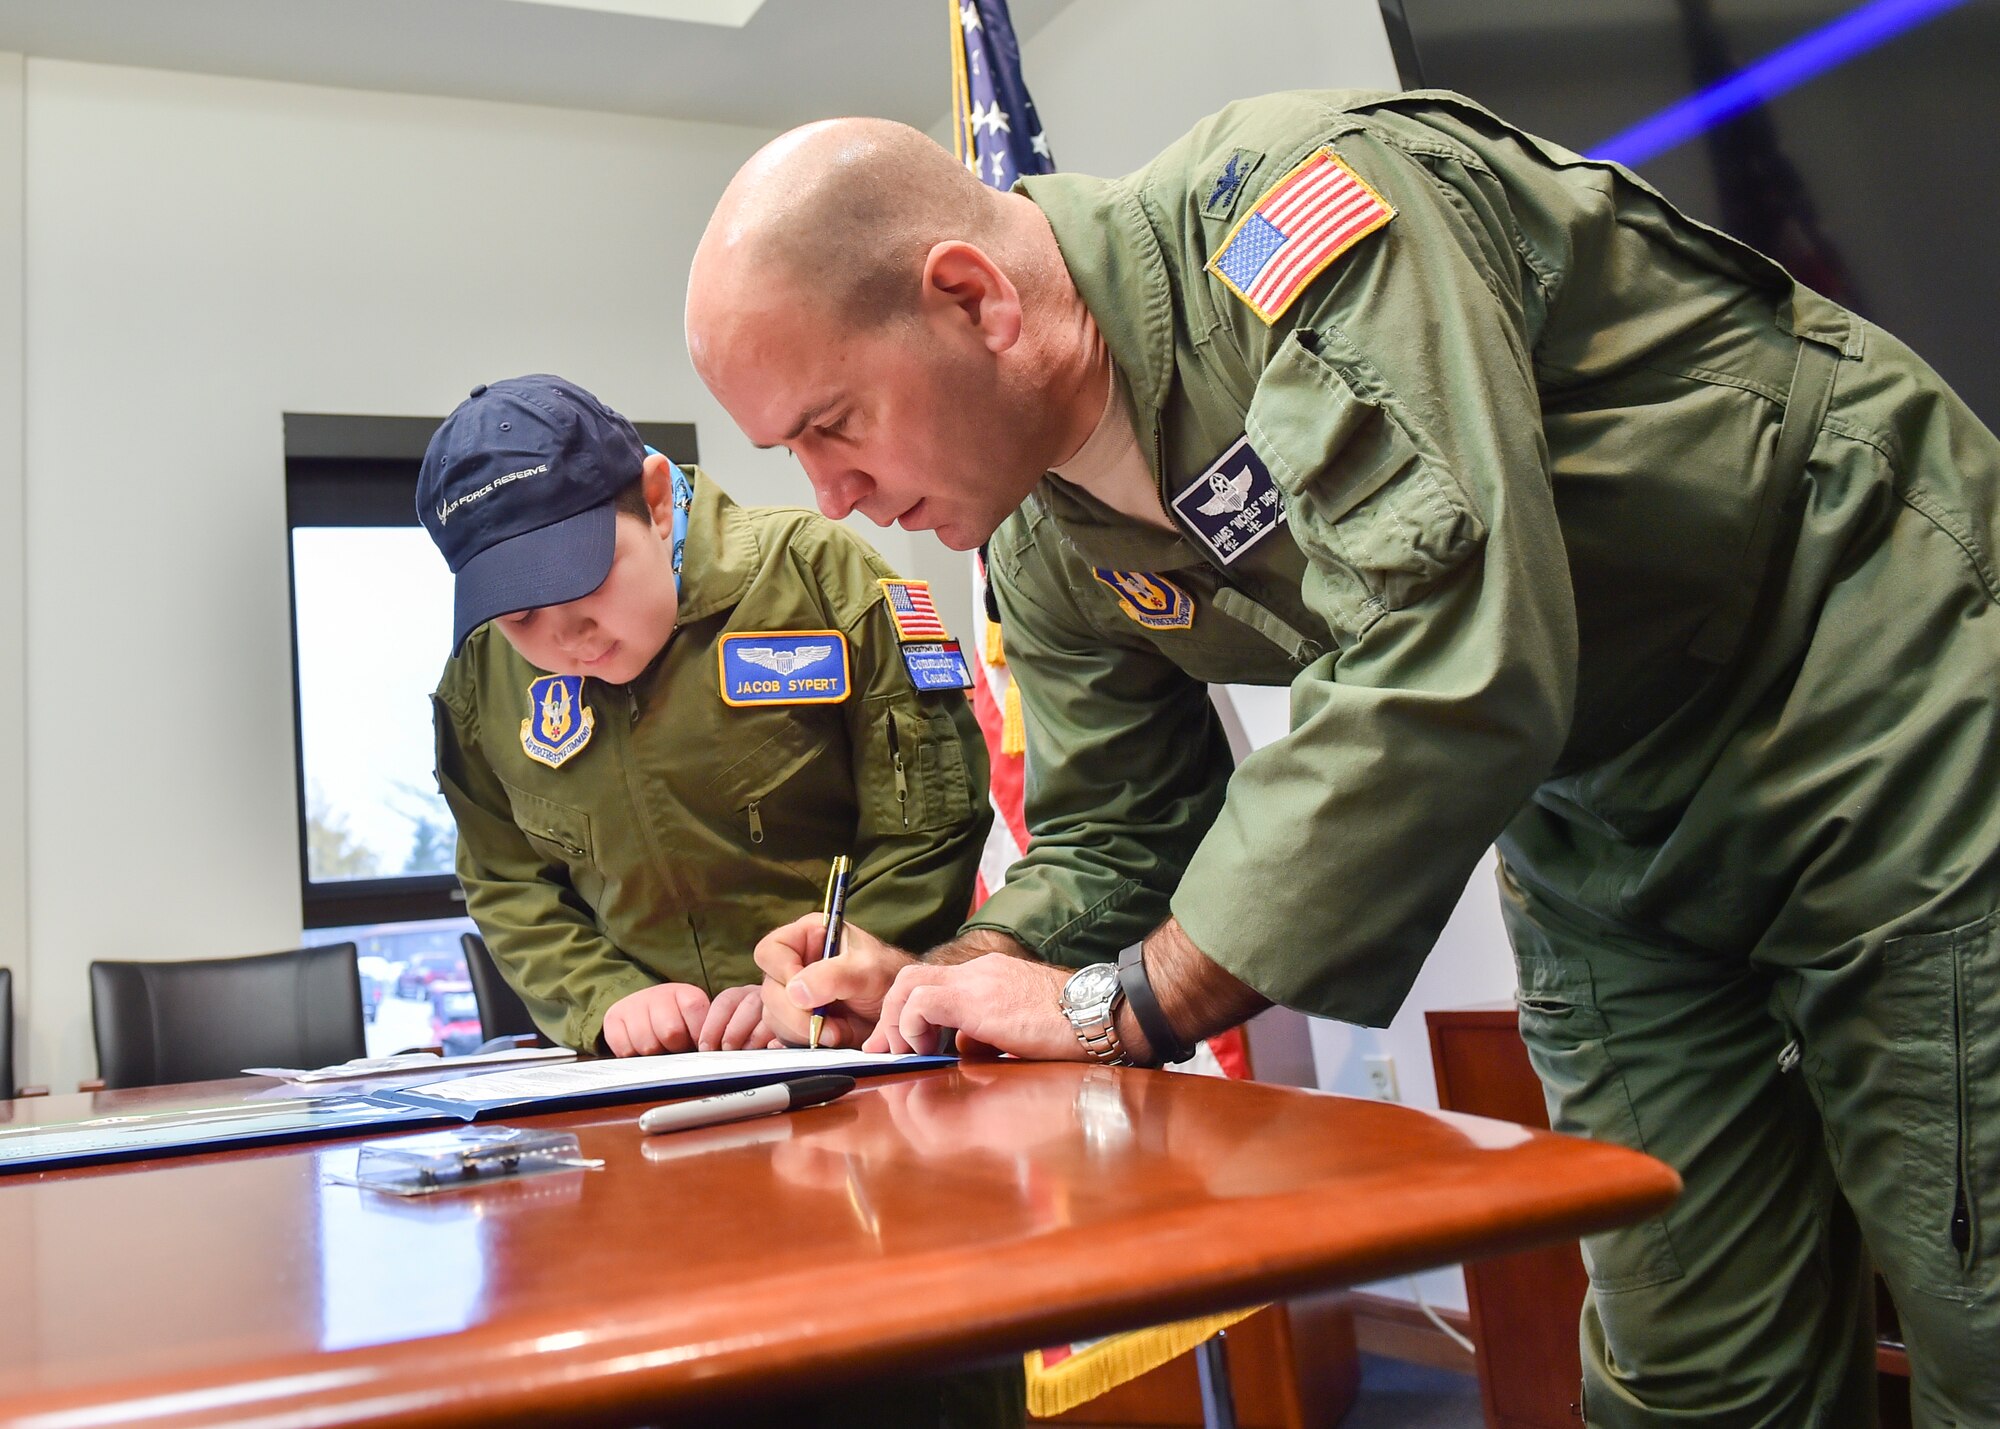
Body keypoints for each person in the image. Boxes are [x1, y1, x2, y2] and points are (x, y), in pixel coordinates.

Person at [685, 92, 2000, 1427]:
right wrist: (949, 981)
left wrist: (1134, 1003)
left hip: (1865, 659)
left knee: (1978, 1291)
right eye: (787, 452)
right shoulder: (1038, 537)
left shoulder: (1300, 220)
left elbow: (1445, 649)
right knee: (1691, 1365)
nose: (828, 494)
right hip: (1600, 800)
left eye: (831, 422)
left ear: (974, 297)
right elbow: (1113, 835)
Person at [419, 374, 992, 1060]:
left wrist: (819, 978)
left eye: (585, 578)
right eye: (520, 615)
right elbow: (505, 878)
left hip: (857, 1044)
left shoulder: (818, 579)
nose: (568, 635)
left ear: (657, 503)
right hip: (649, 1079)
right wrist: (606, 996)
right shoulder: (482, 683)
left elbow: (929, 820)